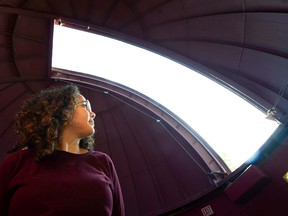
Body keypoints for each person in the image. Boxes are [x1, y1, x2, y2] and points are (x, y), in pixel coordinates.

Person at [0, 84, 125, 216]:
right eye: (84, 105)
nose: (93, 114)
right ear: (61, 110)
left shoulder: (103, 162)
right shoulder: (16, 163)